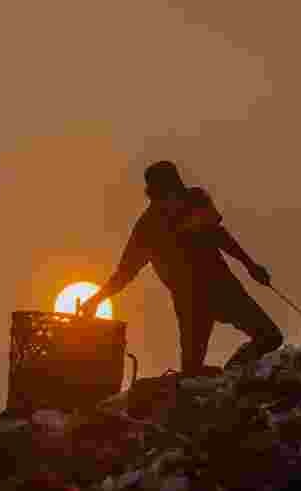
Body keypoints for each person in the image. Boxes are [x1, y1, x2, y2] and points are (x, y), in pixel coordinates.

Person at [78, 160, 283, 377]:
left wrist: (250, 265)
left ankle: (233, 372)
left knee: (270, 337)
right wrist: (96, 299)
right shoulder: (147, 228)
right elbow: (125, 273)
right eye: (166, 193)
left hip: (223, 288)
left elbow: (219, 235)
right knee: (191, 373)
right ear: (155, 195)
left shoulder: (195, 200)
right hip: (191, 303)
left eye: (174, 191)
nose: (172, 198)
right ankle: (221, 381)